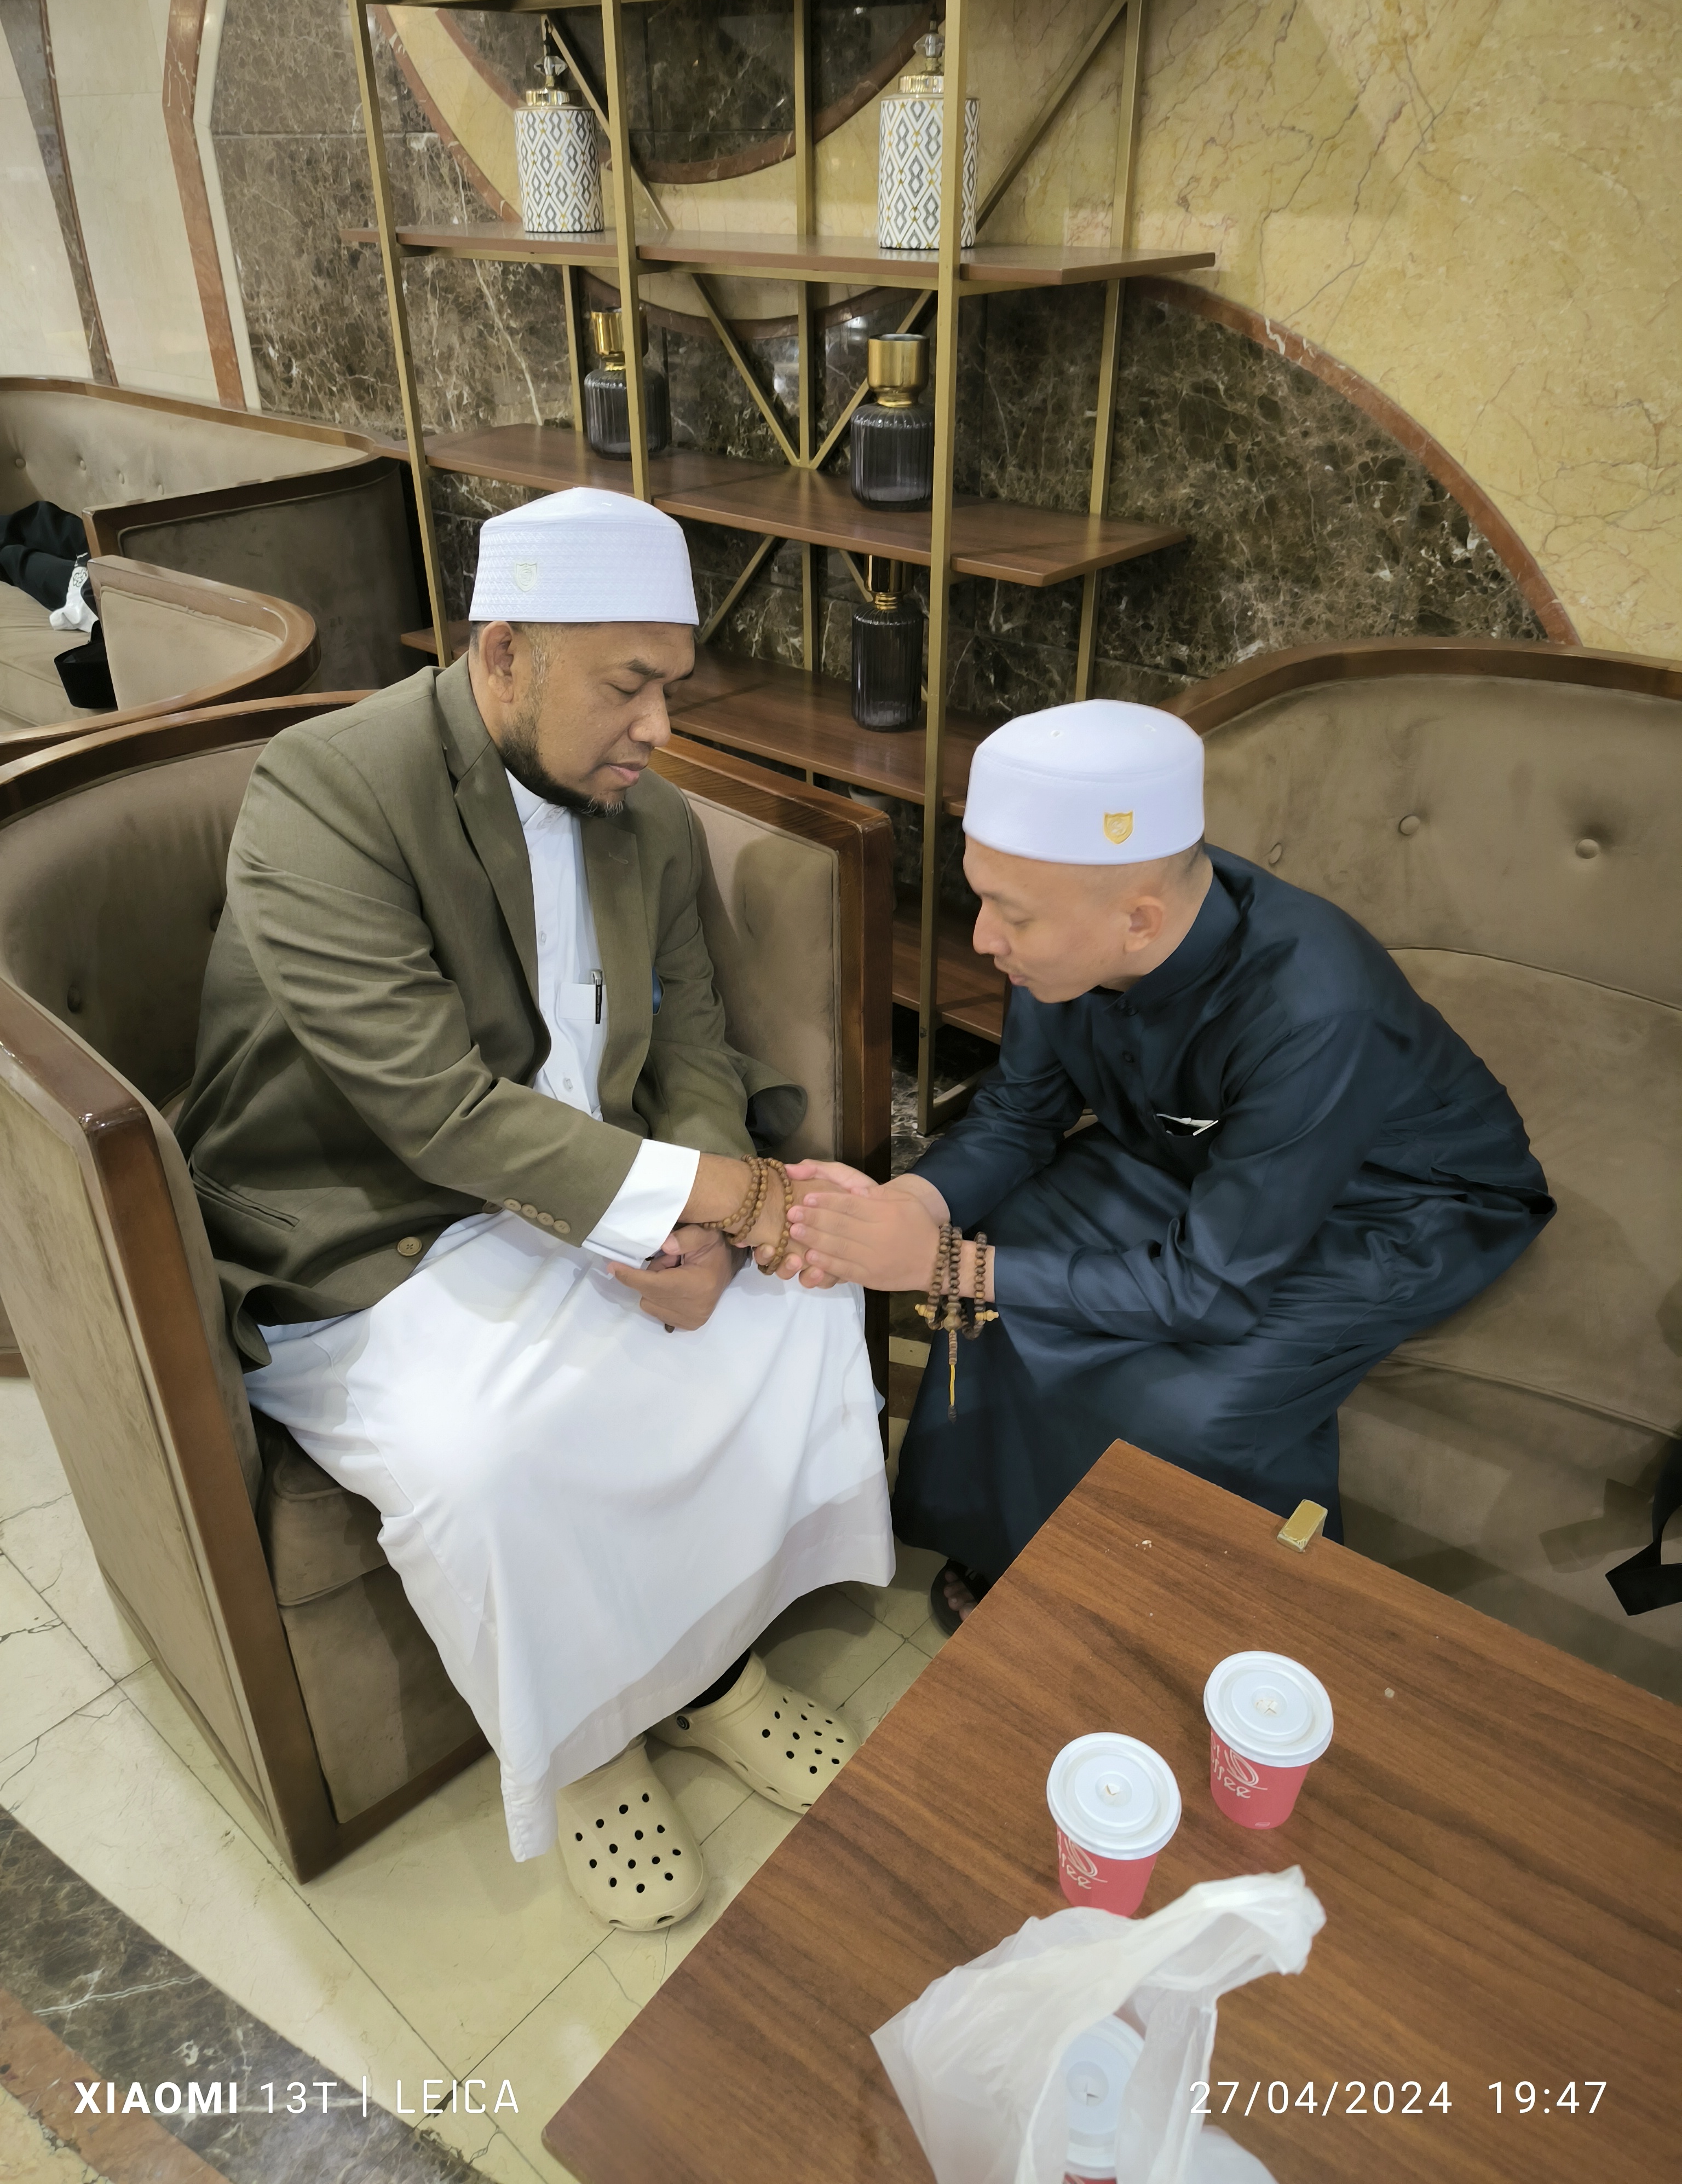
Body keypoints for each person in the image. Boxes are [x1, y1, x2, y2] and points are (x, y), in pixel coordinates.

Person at [175, 488, 892, 1926]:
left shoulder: (647, 816)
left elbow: (692, 1044)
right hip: (373, 1222)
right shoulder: (325, 791)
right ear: (504, 653)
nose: (659, 727)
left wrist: (710, 1228)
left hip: (590, 1179)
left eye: (671, 687)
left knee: (798, 1301)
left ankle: (711, 1674)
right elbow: (433, 1110)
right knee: (489, 1452)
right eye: (628, 686)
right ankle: (587, 1746)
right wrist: (724, 1192)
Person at [785, 698, 1553, 1631]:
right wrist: (916, 1204)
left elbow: (1211, 1292)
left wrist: (946, 1264)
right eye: (980, 897)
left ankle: (1198, 1621)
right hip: (1188, 1150)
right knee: (1001, 1252)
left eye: (1010, 915)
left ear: (1140, 923)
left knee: (1191, 1407)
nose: (983, 939)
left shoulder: (1316, 1009)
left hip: (1397, 1203)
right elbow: (1021, 1116)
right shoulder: (1071, 940)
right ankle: (1015, 1547)